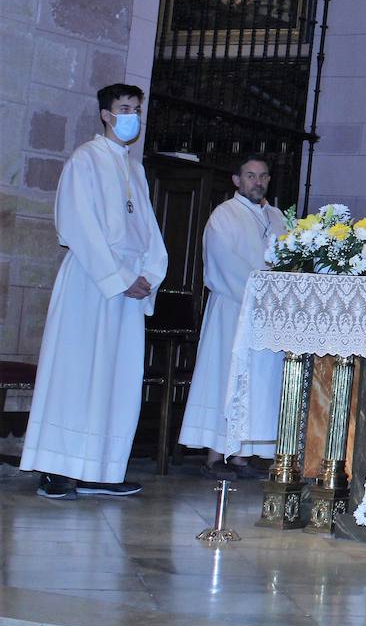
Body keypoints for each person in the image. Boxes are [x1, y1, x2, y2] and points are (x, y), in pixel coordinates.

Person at [20, 85, 168, 499]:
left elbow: (149, 234)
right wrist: (120, 277)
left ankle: (101, 468)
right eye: (124, 109)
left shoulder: (134, 169)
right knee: (76, 372)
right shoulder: (85, 159)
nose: (132, 117)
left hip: (129, 289)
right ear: (106, 115)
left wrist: (149, 276)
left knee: (116, 378)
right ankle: (57, 469)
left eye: (136, 109)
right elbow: (76, 225)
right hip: (92, 280)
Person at [178, 154, 285, 480]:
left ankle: (243, 456)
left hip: (266, 315)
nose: (258, 182)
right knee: (225, 378)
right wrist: (263, 293)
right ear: (237, 180)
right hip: (233, 310)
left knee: (257, 383)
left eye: (263, 176)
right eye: (250, 176)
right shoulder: (224, 216)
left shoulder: (277, 217)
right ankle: (214, 456)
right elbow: (223, 263)